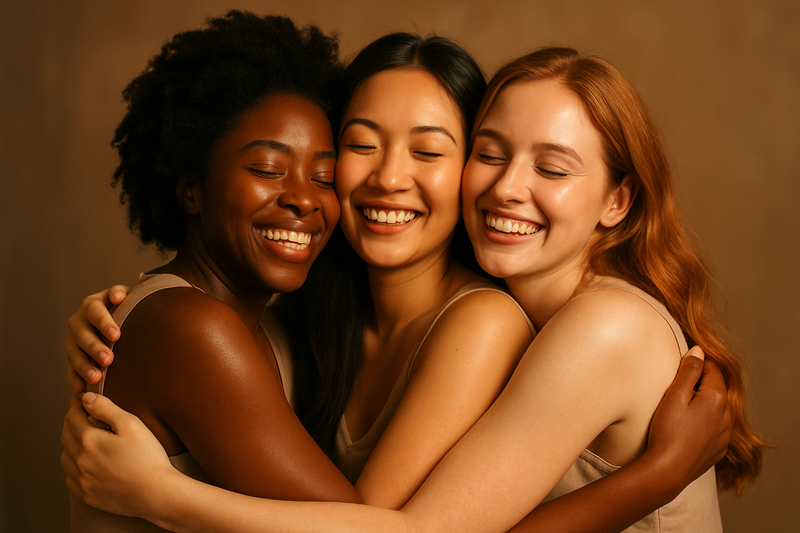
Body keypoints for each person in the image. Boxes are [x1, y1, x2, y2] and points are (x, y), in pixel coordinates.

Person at [63, 36, 736, 532]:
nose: (507, 187)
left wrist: (155, 492)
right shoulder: (311, 307)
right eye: (492, 154)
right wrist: (123, 318)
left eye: (552, 168)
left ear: (617, 201)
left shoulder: (595, 325)